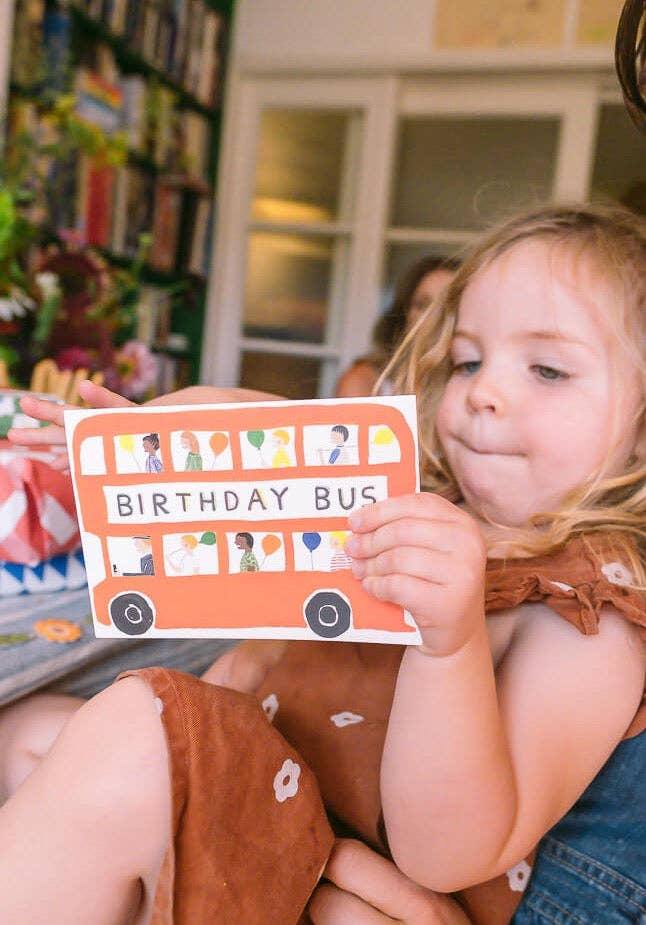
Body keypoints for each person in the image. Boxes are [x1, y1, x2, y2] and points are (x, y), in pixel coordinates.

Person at [0, 201, 643, 925]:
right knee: (25, 731)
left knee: (131, 730)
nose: (483, 392)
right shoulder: (430, 497)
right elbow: (292, 440)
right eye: (468, 360)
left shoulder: (591, 620)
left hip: (346, 885)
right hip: (266, 805)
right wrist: (167, 443)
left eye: (548, 370)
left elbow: (446, 856)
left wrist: (449, 645)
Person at [335, 255, 459, 398]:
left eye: (448, 305)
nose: (434, 316)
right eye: (423, 305)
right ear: (405, 315)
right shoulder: (366, 381)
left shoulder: (472, 383)